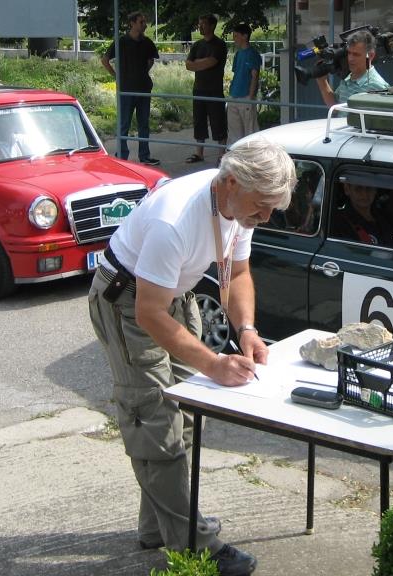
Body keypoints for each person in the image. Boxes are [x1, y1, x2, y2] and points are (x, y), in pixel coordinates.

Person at [87, 138, 296, 576]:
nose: (265, 217)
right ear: (232, 182)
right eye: (261, 206)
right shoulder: (175, 219)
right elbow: (148, 312)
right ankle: (194, 544)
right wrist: (214, 364)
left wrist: (247, 330)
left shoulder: (240, 204)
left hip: (174, 296)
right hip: (129, 301)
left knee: (184, 414)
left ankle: (161, 526)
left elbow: (239, 272)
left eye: (272, 208)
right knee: (154, 418)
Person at [101, 11, 160, 166]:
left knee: (144, 124)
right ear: (132, 23)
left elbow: (151, 60)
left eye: (145, 22)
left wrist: (142, 72)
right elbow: (105, 60)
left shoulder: (147, 42)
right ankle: (121, 156)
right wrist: (117, 76)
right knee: (124, 123)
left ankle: (144, 156)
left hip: (143, 88)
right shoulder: (122, 41)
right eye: (141, 22)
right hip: (126, 90)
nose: (145, 25)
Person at [186, 14, 228, 164]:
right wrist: (200, 63)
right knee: (199, 121)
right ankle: (199, 154)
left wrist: (197, 63)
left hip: (214, 90)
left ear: (212, 26)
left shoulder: (219, 44)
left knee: (218, 121)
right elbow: (188, 65)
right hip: (198, 89)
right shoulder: (197, 45)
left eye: (203, 24)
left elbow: (212, 62)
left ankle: (222, 154)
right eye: (199, 23)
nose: (200, 26)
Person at [314, 29, 389, 107]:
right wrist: (321, 80)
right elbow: (336, 107)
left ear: (370, 55)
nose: (350, 59)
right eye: (349, 53)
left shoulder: (377, 87)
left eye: (356, 54)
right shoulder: (349, 78)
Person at [329, 183, 393, 246]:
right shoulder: (338, 222)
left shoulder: (387, 218)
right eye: (358, 188)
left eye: (369, 188)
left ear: (375, 190)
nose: (364, 194)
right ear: (347, 189)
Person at [227, 23, 262, 145]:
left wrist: (250, 97)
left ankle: (252, 154)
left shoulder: (253, 54)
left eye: (236, 36)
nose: (234, 39)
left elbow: (255, 76)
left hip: (246, 96)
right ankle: (236, 153)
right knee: (234, 132)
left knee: (250, 131)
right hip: (234, 95)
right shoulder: (238, 54)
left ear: (245, 36)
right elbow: (237, 73)